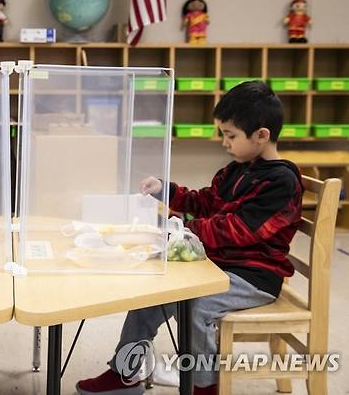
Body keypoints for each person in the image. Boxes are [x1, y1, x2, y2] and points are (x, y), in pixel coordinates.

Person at [76, 81, 303, 395]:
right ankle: (124, 373)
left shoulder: (282, 181)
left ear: (261, 135)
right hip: (217, 266)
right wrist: (167, 190)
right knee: (153, 292)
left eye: (230, 135)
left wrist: (184, 231)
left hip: (254, 277)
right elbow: (205, 201)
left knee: (197, 307)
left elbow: (239, 229)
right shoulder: (235, 170)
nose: (224, 142)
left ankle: (204, 387)